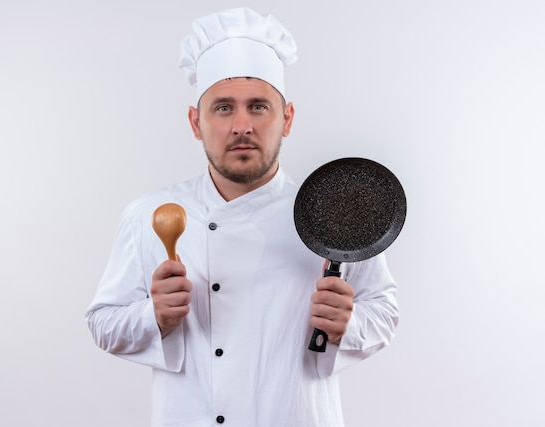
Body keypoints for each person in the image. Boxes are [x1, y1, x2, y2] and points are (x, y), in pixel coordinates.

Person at [86, 7, 398, 427]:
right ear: (196, 122)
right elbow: (103, 322)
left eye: (258, 107)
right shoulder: (150, 214)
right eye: (223, 108)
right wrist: (153, 316)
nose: (241, 126)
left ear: (286, 118)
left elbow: (384, 310)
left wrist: (350, 325)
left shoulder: (329, 209)